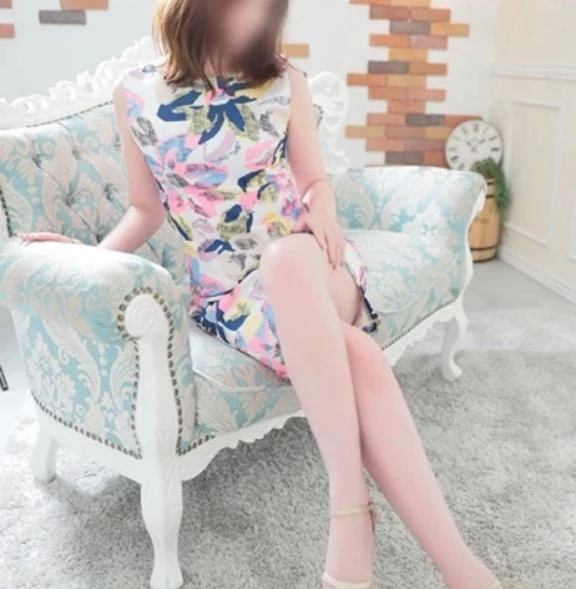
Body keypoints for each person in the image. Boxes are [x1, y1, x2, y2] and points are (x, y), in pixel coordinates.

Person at [21, 0, 503, 588]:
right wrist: (85, 257)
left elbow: (314, 180)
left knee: (286, 258)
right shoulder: (136, 95)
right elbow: (145, 209)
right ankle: (461, 570)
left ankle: (348, 509)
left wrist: (323, 209)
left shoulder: (283, 81)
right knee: (357, 354)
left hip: (314, 265)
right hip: (230, 298)